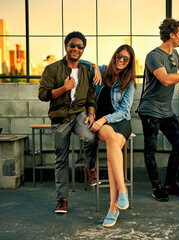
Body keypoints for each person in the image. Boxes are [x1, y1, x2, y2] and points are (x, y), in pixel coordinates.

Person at [136, 18, 179, 202]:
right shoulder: (153, 56)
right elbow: (165, 79)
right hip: (150, 110)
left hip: (165, 111)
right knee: (151, 149)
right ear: (172, 35)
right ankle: (157, 187)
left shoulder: (174, 53)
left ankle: (169, 184)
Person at [38, 31, 98, 214]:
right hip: (59, 118)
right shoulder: (52, 69)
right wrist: (64, 88)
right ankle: (62, 199)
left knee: (90, 137)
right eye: (73, 45)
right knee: (61, 159)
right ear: (66, 47)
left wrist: (92, 114)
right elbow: (42, 95)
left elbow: (90, 98)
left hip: (79, 115)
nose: (76, 49)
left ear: (83, 50)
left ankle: (89, 168)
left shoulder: (86, 73)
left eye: (80, 46)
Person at [80, 44, 136, 227]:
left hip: (119, 121)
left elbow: (124, 110)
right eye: (118, 56)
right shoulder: (103, 71)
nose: (120, 60)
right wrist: (95, 66)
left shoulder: (129, 83)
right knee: (112, 141)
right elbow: (79, 60)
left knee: (113, 153)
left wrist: (104, 119)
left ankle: (114, 206)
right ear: (114, 56)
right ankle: (121, 194)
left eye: (125, 59)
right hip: (101, 122)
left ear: (129, 64)